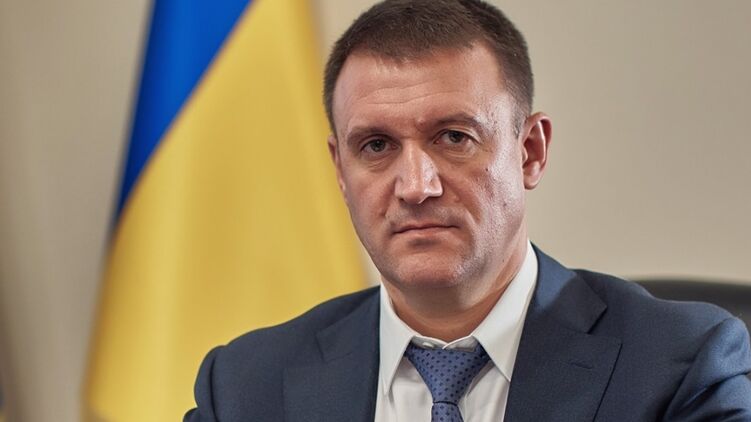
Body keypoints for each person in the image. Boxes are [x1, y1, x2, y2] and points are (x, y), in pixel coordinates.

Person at [184, 0, 751, 420]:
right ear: (340, 170)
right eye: (376, 146)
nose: (415, 187)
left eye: (454, 137)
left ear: (530, 152)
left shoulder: (679, 366)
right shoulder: (244, 388)